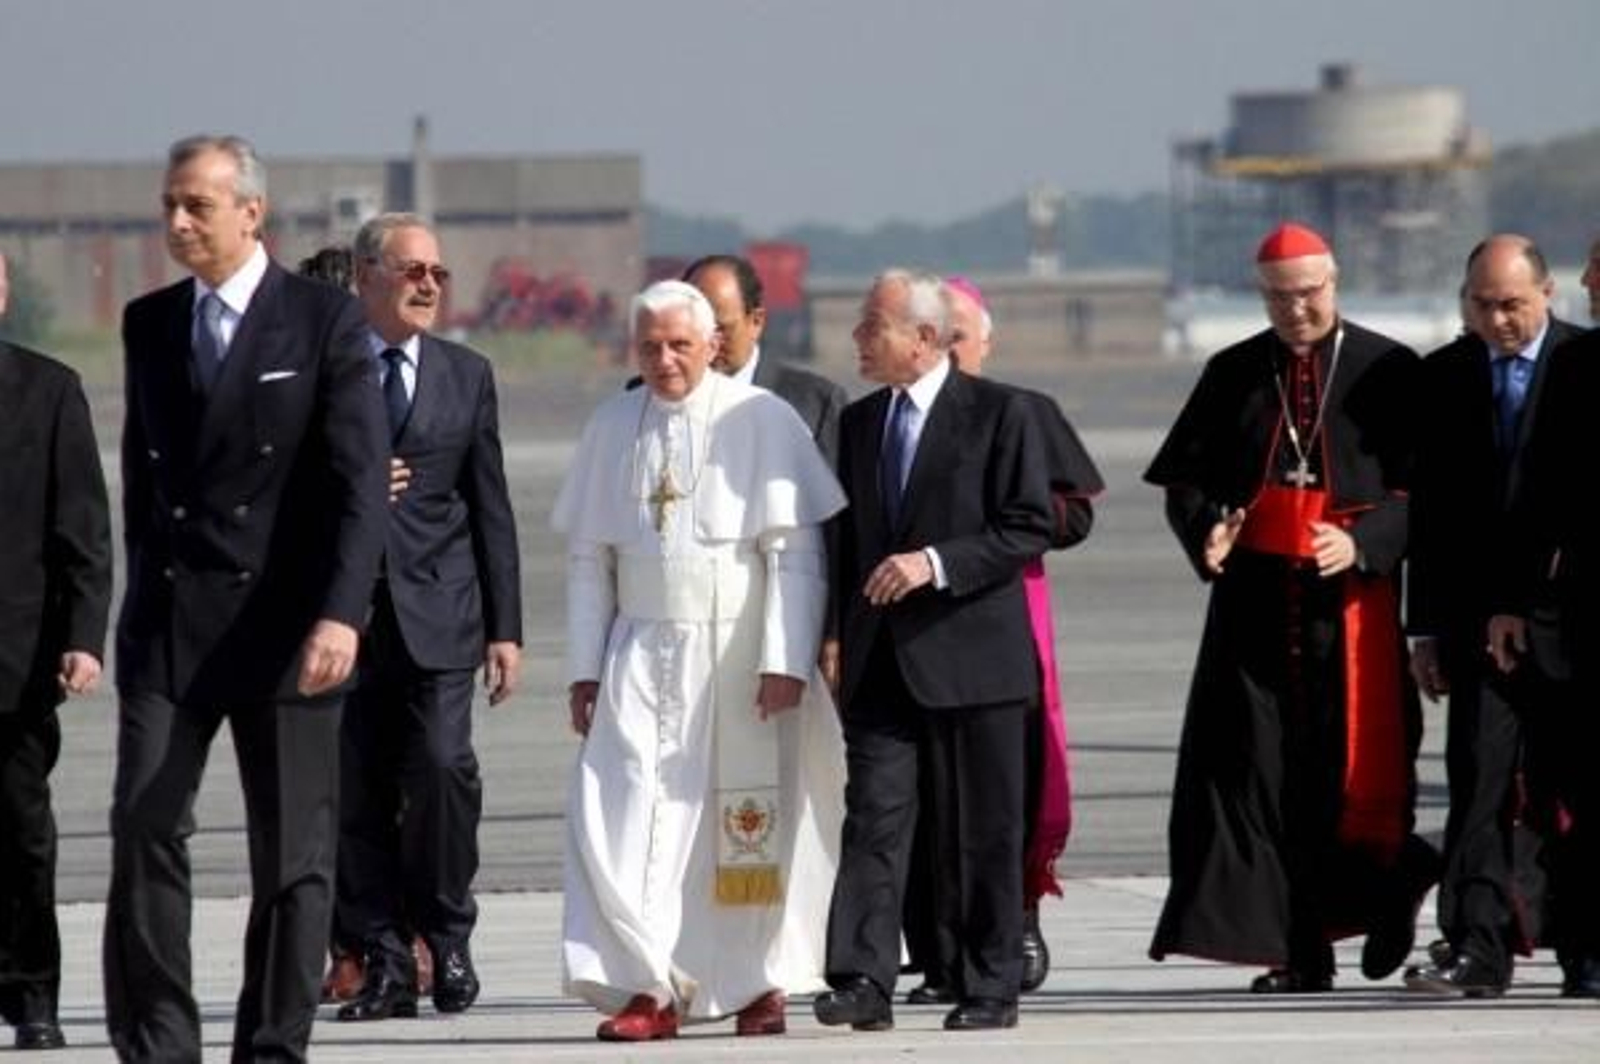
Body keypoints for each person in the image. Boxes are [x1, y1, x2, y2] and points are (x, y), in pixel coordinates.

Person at [104, 134, 389, 1063]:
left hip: (289, 628)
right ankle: (160, 1044)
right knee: (143, 824)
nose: (179, 222)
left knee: (294, 859)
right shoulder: (149, 322)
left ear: (252, 212)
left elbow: (358, 484)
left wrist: (341, 613)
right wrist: (132, 611)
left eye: (198, 205)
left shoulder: (322, 320)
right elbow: (143, 485)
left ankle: (271, 1047)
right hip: (171, 627)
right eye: (170, 205)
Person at [1145, 222, 1435, 993]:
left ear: (1333, 283)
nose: (1295, 309)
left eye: (1307, 293)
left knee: (1348, 774)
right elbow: (1186, 482)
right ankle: (1299, 951)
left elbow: (1428, 491)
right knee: (1261, 777)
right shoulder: (1234, 370)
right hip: (1254, 605)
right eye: (1278, 297)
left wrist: (1365, 541)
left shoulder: (1388, 369)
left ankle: (1398, 877)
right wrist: (1207, 530)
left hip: (1351, 606)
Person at [554, 280, 846, 1041]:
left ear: (713, 344)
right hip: (639, 652)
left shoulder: (763, 419)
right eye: (650, 347)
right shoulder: (612, 424)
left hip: (739, 654)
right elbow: (588, 563)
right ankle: (649, 986)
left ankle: (756, 984)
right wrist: (584, 670)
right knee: (624, 814)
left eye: (680, 345)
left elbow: (795, 554)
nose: (665, 360)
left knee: (743, 823)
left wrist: (786, 660)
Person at [815, 269, 1053, 1034]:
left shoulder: (1002, 413)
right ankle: (862, 978)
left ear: (923, 339)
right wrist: (831, 634)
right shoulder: (858, 424)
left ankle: (989, 984)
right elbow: (844, 543)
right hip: (881, 661)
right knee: (873, 820)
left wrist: (935, 563)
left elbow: (1029, 526)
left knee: (984, 829)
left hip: (975, 659)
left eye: (871, 326)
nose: (857, 339)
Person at [331, 214, 522, 1022]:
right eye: (411, 270)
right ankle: (383, 963)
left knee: (444, 770)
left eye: (438, 273)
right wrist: (347, 481)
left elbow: (490, 506)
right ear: (364, 276)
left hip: (440, 615)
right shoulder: (321, 369)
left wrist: (505, 629)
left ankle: (446, 935)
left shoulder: (465, 374)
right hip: (340, 622)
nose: (428, 285)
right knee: (354, 797)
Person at [899, 277, 1102, 1004]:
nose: (949, 348)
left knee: (1013, 780)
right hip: (915, 622)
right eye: (937, 334)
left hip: (1002, 608)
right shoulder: (893, 417)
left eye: (960, 336)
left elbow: (1074, 515)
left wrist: (1000, 517)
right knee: (923, 792)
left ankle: (1018, 919)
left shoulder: (1022, 411)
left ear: (986, 341)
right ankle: (938, 949)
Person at [1406, 235, 1586, 997]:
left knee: (1574, 786)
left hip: (1568, 621)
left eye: (1512, 304)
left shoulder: (1583, 365)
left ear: (1548, 293)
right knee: (1477, 784)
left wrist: (1527, 599)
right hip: (1475, 623)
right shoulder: (1443, 376)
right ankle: (1476, 946)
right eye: (1482, 305)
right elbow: (1429, 515)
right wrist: (1423, 628)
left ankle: (1586, 948)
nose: (1499, 320)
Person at [0, 250, 113, 1052]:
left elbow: (83, 532)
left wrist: (83, 638)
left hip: (15, 660)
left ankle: (31, 993)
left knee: (21, 835)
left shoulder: (48, 391)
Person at [1487, 274, 1600, 998]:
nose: (1590, 282)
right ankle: (1586, 950)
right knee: (1580, 791)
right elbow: (1538, 492)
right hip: (1581, 617)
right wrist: (1511, 601)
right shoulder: (1575, 365)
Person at [682, 254, 847, 465]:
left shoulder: (816, 404)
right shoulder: (652, 398)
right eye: (695, 330)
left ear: (756, 322)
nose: (708, 344)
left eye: (721, 330)